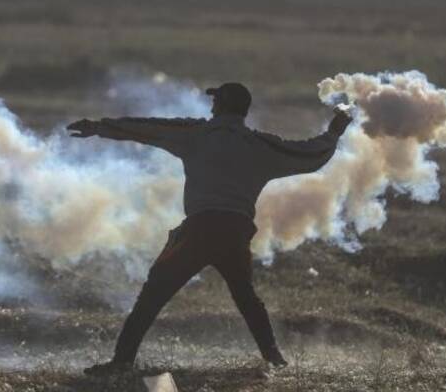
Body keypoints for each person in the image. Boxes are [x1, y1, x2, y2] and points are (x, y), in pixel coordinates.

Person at [67, 82, 352, 374]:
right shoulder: (261, 146)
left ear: (220, 106)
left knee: (152, 295)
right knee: (246, 298)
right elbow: (310, 155)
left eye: (215, 101)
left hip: (198, 231)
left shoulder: (196, 134)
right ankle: (275, 360)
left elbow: (147, 129)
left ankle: (122, 361)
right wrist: (335, 130)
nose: (211, 105)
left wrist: (99, 127)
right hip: (235, 233)